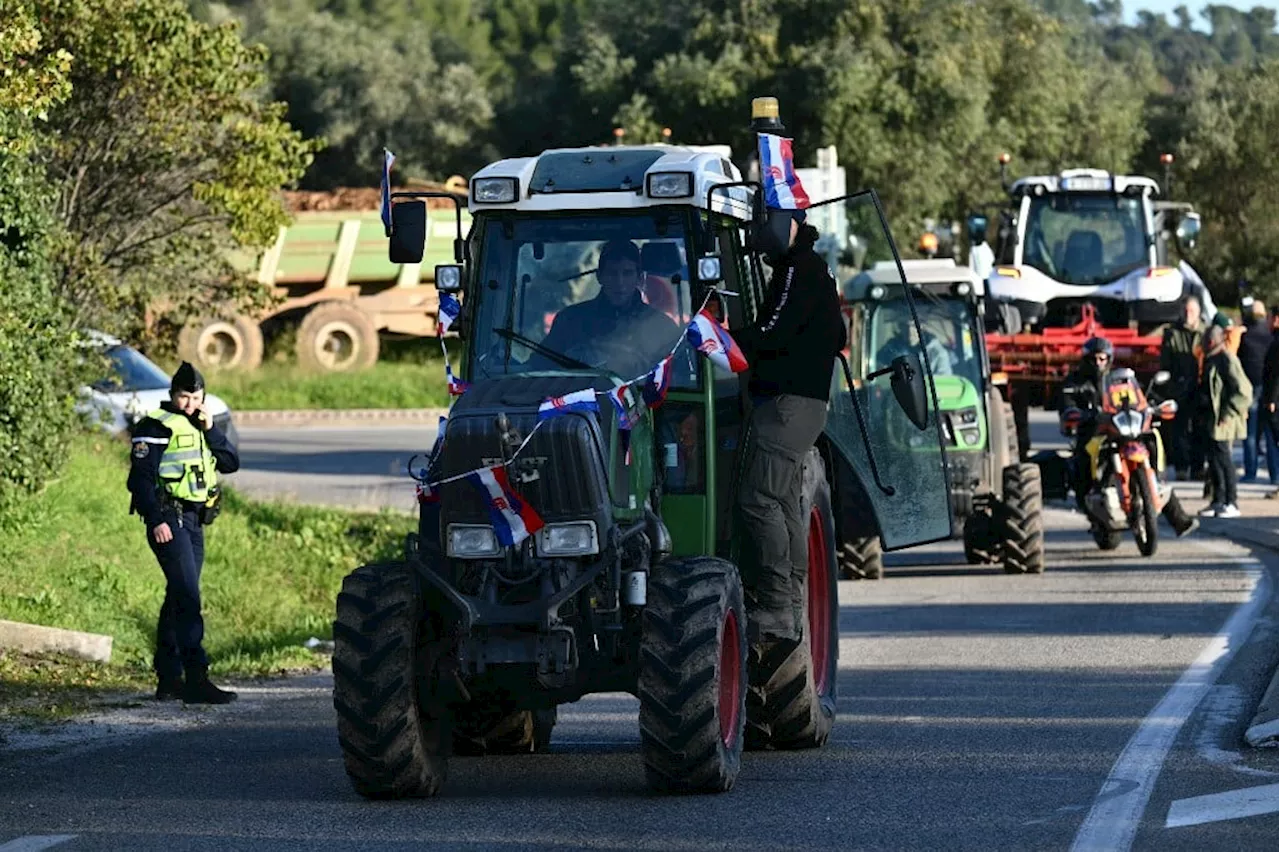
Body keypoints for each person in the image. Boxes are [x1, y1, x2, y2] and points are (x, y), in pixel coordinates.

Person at [730, 207, 846, 645]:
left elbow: (772, 332)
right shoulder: (813, 270)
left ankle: (779, 606)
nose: (758, 239)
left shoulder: (799, 270)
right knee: (779, 499)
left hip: (786, 406)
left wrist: (723, 337)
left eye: (762, 226)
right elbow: (837, 338)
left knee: (758, 499)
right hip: (803, 406)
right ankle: (792, 600)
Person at [127, 362, 240, 704]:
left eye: (195, 396)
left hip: (194, 521)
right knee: (188, 597)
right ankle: (196, 678)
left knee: (178, 595)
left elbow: (231, 463)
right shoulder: (155, 426)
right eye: (183, 396)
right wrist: (157, 519)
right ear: (172, 395)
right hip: (168, 519)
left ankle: (168, 677)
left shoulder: (202, 425)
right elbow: (140, 480)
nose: (189, 403)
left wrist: (210, 430)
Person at [1063, 337, 1197, 535]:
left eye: (1103, 358)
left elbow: (1138, 396)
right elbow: (1066, 404)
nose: (1099, 363)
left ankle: (1178, 517)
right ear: (1087, 360)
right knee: (1083, 462)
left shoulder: (1119, 379)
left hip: (1122, 428)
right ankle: (1093, 510)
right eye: (1094, 359)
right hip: (1094, 432)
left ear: (1109, 358)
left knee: (1152, 441)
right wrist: (1079, 413)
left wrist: (1153, 405)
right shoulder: (1075, 381)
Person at [537, 239, 680, 377]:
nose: (620, 282)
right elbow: (539, 368)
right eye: (612, 273)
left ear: (639, 278)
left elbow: (678, 379)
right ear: (600, 276)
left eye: (627, 273)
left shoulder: (662, 328)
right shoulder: (570, 320)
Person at [1199, 324, 1252, 518]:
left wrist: (1227, 414)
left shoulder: (1227, 359)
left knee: (1224, 460)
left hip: (1223, 421)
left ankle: (1232, 502)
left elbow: (1244, 392)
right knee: (1213, 461)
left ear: (1212, 341)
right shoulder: (1209, 360)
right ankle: (1218, 500)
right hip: (1209, 419)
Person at [1160, 294, 1206, 480]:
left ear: (1198, 313)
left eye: (1192, 311)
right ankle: (1181, 467)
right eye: (1185, 311)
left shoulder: (1206, 333)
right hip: (1179, 388)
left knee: (1200, 429)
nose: (1188, 314)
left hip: (1201, 388)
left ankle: (1198, 467)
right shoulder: (1172, 334)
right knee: (1179, 430)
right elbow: (1165, 363)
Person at [1239, 299, 1272, 483]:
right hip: (1267, 387)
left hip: (1250, 387)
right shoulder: (1270, 335)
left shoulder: (1246, 335)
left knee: (1249, 434)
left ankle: (1250, 472)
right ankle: (1275, 474)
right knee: (1269, 432)